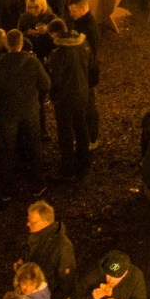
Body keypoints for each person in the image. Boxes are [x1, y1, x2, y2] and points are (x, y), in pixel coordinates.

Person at [0, 27, 51, 185]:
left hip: (7, 112)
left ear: (7, 44)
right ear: (21, 43)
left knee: (6, 150)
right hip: (30, 110)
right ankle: (37, 183)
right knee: (34, 145)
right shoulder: (33, 61)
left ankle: (7, 188)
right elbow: (46, 83)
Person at [46, 23, 97, 181]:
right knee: (81, 125)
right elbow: (91, 67)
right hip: (82, 93)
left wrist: (53, 95)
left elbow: (56, 79)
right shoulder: (83, 45)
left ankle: (68, 167)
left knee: (65, 131)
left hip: (65, 98)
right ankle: (84, 160)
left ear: (55, 34)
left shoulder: (59, 54)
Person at [18, 201, 76, 299]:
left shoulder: (62, 246)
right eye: (28, 220)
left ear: (45, 223)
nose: (28, 224)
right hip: (35, 295)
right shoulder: (36, 237)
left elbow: (67, 281)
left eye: (32, 222)